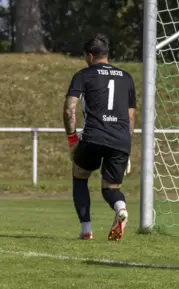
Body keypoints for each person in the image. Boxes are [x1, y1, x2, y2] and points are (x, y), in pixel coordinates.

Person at [62, 34, 136, 241]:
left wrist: (71, 139)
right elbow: (130, 117)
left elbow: (70, 110)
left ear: (90, 55)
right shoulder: (127, 77)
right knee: (110, 189)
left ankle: (86, 230)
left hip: (94, 136)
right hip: (120, 140)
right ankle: (121, 209)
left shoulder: (84, 75)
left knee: (80, 176)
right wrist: (127, 149)